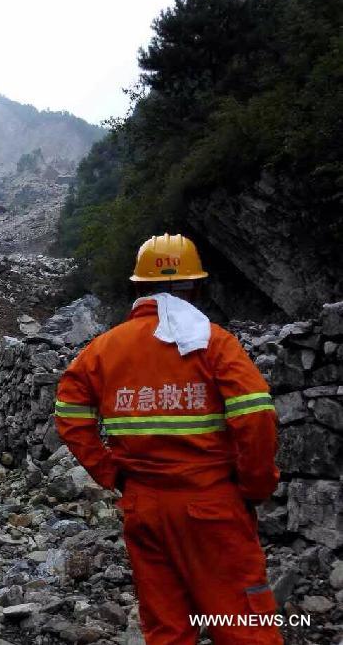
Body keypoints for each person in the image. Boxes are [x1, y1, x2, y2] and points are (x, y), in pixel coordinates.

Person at [54, 233, 282, 644]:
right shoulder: (213, 342)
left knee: (167, 626)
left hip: (144, 506)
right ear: (194, 286)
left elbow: (70, 414)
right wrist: (255, 485)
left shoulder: (103, 349)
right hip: (213, 505)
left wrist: (111, 473)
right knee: (243, 624)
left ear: (138, 286)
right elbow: (255, 415)